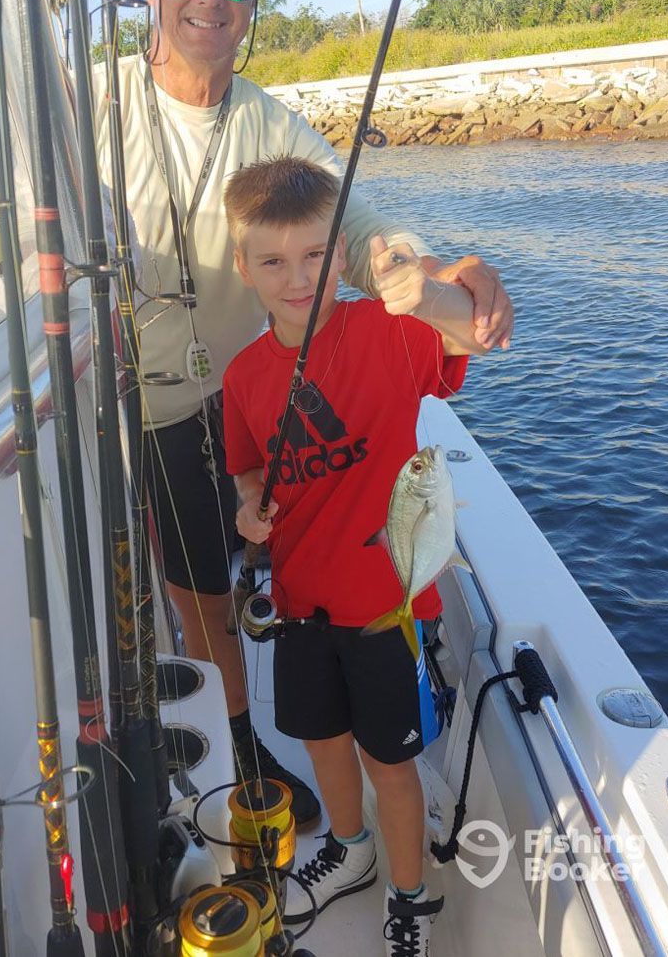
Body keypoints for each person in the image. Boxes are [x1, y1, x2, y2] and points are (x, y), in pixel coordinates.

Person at [93, 0, 513, 832]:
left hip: (221, 396)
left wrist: (440, 276)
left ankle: (242, 747)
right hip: (110, 393)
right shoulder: (93, 104)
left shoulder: (272, 125)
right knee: (140, 578)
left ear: (254, 0)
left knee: (205, 583)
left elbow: (361, 231)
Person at [221, 155, 489, 955]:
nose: (296, 276)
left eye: (312, 255)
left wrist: (432, 292)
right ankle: (351, 849)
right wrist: (247, 505)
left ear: (340, 253)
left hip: (389, 607)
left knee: (392, 767)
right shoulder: (240, 377)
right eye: (271, 260)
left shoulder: (386, 333)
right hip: (301, 601)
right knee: (323, 745)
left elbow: (473, 333)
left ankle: (410, 894)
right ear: (243, 268)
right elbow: (247, 464)